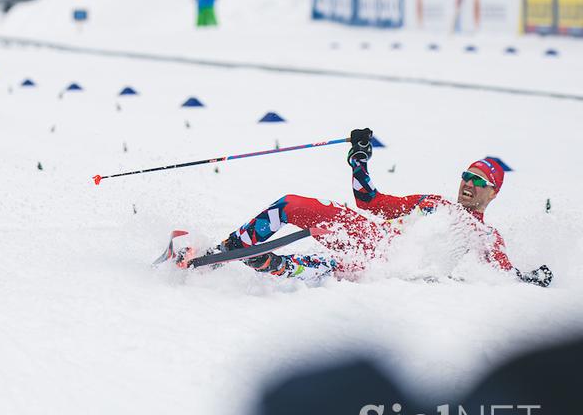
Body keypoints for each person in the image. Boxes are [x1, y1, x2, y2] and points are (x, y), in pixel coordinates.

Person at [174, 129, 553, 287]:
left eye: (480, 182)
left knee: (328, 269)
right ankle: (220, 254)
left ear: (493, 193)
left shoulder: (484, 234)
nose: (468, 185)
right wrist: (359, 159)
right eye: (466, 177)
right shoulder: (431, 203)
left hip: (388, 263)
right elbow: (370, 202)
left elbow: (503, 275)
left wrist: (528, 278)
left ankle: (268, 263)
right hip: (373, 237)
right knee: (290, 205)